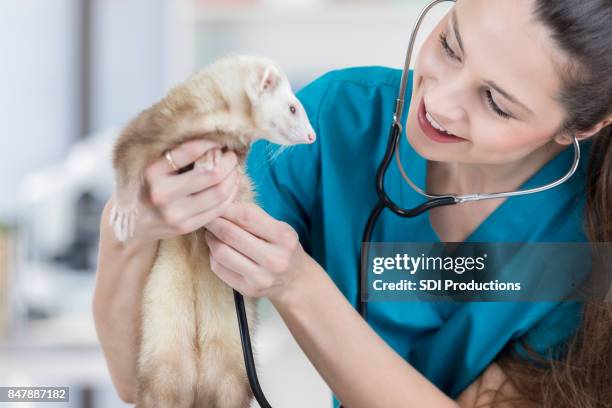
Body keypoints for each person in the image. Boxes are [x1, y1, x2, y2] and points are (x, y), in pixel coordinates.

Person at [92, 0, 612, 406]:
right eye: (451, 46)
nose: (439, 101)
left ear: (580, 127)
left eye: (496, 102)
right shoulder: (336, 121)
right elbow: (143, 382)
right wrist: (137, 227)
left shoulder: (585, 234)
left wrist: (298, 285)